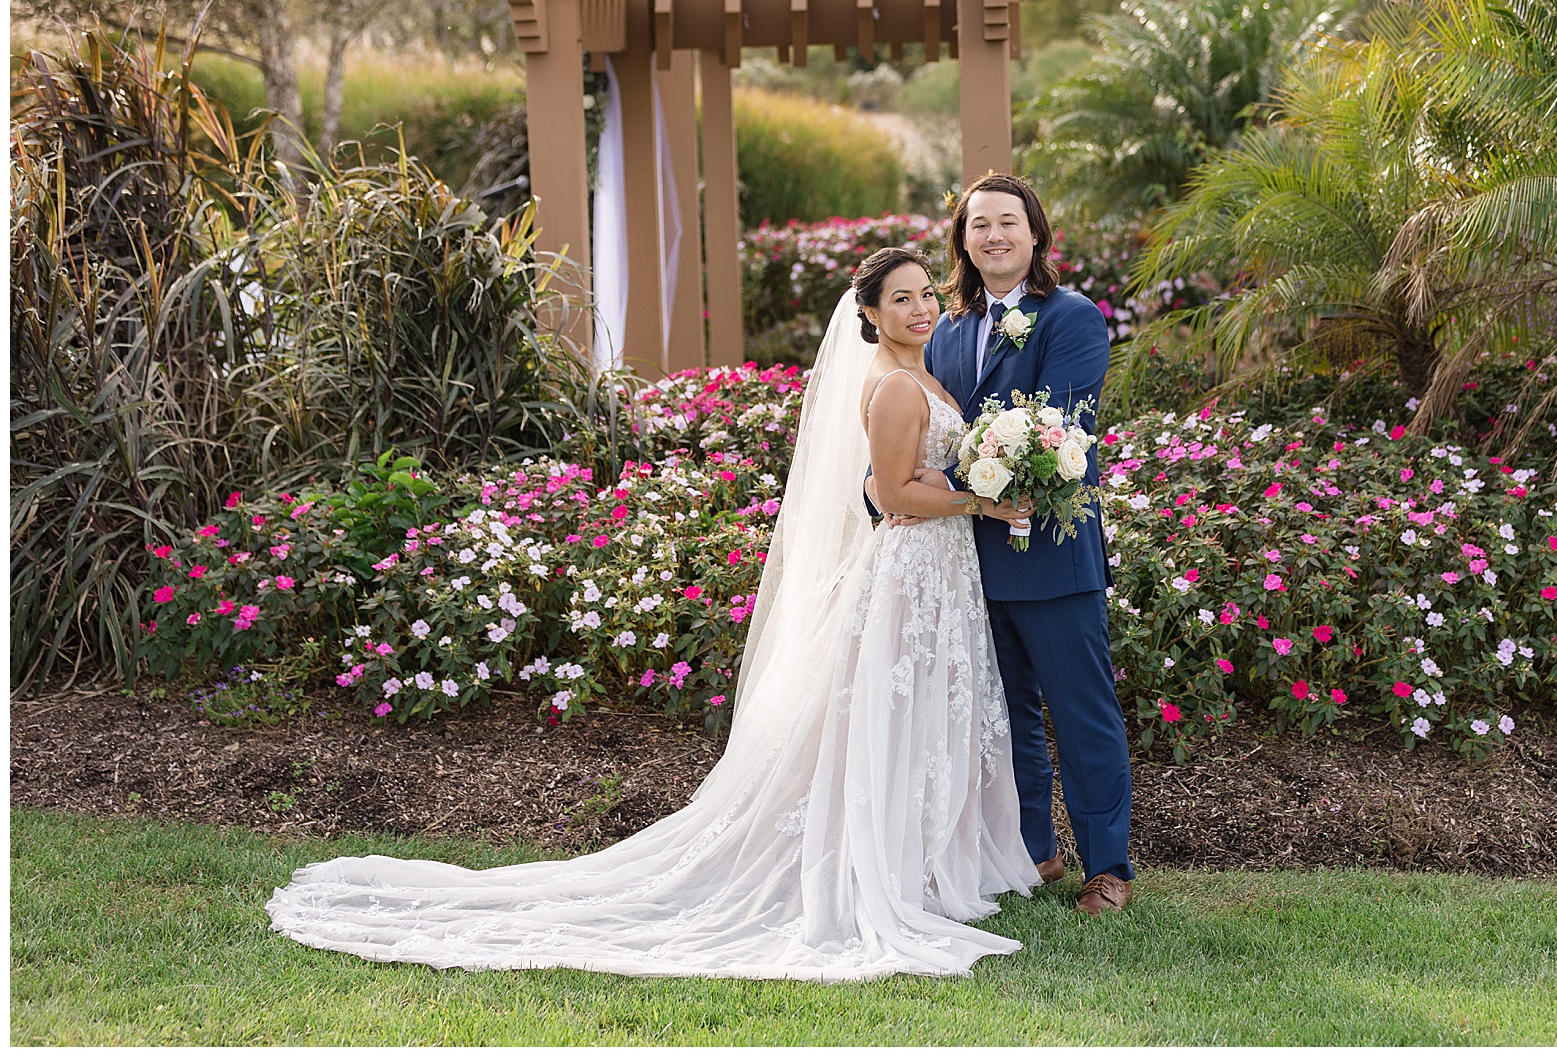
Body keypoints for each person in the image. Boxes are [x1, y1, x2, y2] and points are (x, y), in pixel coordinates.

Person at [264, 247, 1042, 981]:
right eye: (899, 299)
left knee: (916, 714)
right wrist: (985, 498)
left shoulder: (925, 373)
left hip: (939, 569)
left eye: (925, 295)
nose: (918, 308)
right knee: (891, 711)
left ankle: (926, 859)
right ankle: (883, 864)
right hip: (910, 571)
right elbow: (896, 491)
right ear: (868, 314)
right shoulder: (899, 384)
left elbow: (891, 487)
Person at [866, 174, 1134, 916]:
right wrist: (881, 487)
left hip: (1050, 552)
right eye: (977, 224)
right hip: (965, 561)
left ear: (1036, 234)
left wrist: (933, 483)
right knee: (1001, 713)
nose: (993, 235)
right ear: (962, 241)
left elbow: (1056, 430)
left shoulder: (1072, 319)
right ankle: (1029, 849)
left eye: (1007, 222)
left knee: (1082, 712)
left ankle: (1107, 865)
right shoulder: (945, 328)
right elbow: (914, 427)